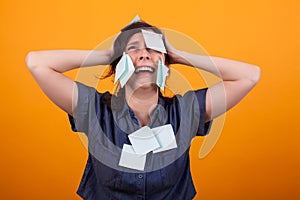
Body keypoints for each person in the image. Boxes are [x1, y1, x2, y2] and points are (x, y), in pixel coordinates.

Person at [26, 20, 260, 200]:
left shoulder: (186, 111)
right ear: (119, 64)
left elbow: (250, 76)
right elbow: (36, 62)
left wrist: (180, 55)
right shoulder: (94, 109)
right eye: (133, 49)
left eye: (154, 49)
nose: (145, 54)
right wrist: (107, 55)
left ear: (166, 64)